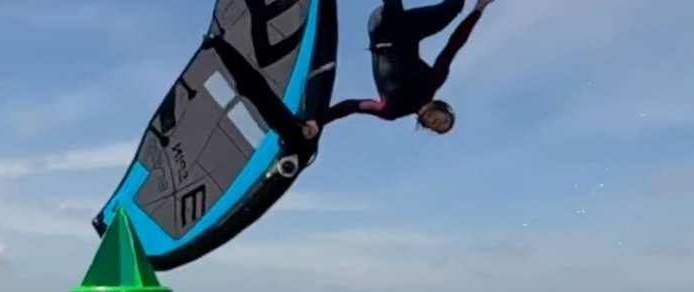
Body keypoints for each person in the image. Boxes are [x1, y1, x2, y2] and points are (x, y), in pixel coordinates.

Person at [315, 0, 494, 134]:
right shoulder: (434, 81)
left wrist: (318, 122)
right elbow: (453, 46)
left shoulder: (393, 111)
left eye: (437, 127)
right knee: (454, 7)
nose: (437, 122)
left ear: (428, 127)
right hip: (409, 31)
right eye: (443, 120)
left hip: (383, 32)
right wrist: (479, 10)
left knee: (393, 9)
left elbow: (352, 106)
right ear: (443, 109)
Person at [200, 33, 321, 167]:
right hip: (259, 88)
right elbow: (330, 114)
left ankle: (218, 43)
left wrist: (286, 160)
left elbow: (291, 150)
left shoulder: (293, 138)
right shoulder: (297, 123)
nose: (309, 131)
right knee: (239, 65)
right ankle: (218, 42)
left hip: (254, 93)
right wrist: (348, 107)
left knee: (236, 68)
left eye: (308, 133)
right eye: (310, 130)